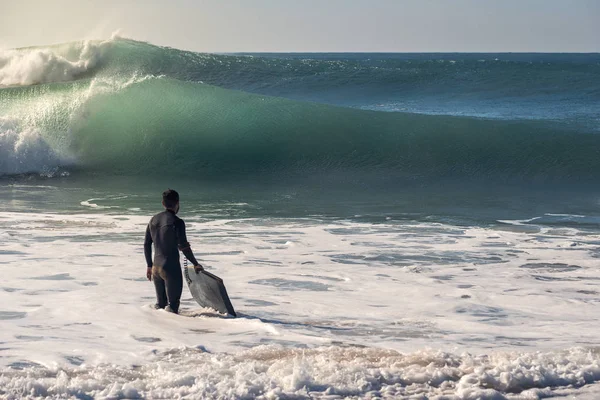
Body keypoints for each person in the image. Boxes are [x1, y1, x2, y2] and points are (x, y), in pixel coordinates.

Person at [144, 189, 203, 314]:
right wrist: (195, 263)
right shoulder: (178, 222)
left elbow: (147, 244)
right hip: (170, 268)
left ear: (162, 203)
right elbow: (184, 247)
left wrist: (149, 265)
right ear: (177, 203)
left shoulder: (153, 220)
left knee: (160, 306)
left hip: (156, 268)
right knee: (173, 307)